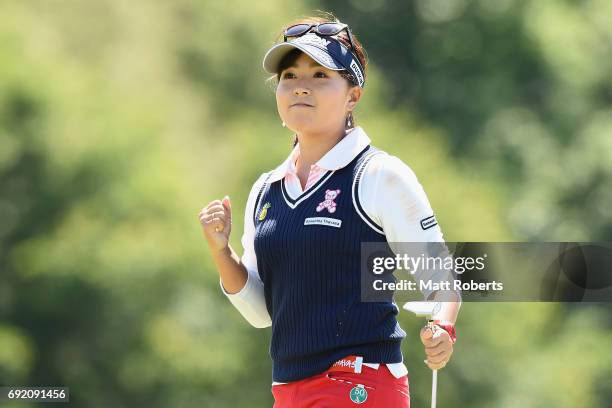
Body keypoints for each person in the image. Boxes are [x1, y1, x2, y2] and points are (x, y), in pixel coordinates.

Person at [199, 14, 461, 408]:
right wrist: (222, 253)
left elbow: (440, 274)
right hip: (288, 391)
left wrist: (443, 327)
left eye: (320, 75)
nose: (300, 87)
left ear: (353, 95)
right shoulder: (266, 190)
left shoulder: (377, 175)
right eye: (289, 76)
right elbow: (260, 314)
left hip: (360, 385)